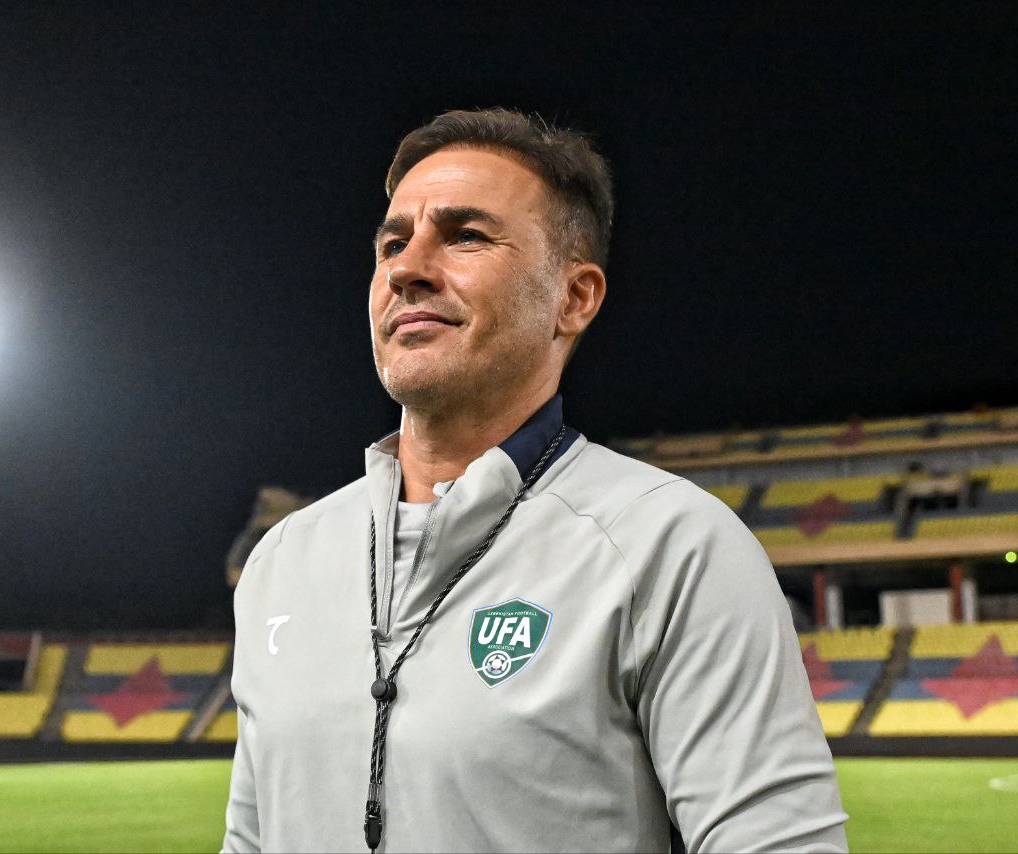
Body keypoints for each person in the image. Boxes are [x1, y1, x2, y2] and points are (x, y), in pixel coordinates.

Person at [222, 108, 848, 853]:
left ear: (574, 298)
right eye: (392, 243)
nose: (406, 269)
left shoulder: (671, 546)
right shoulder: (281, 561)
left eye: (465, 236)